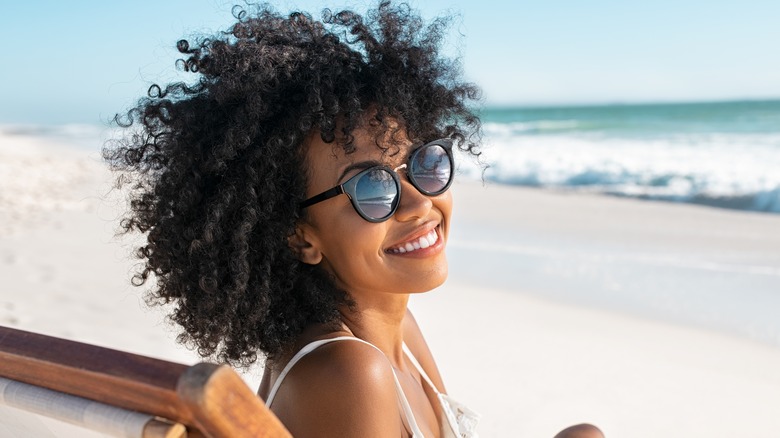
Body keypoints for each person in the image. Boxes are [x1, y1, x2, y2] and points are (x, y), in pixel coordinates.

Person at [105, 2, 603, 437]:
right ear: (300, 237)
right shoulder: (348, 370)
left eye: (424, 164)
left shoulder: (395, 325)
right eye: (371, 186)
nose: (417, 203)